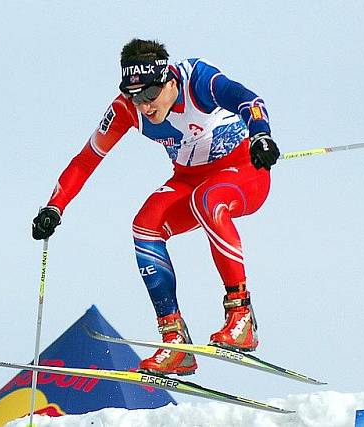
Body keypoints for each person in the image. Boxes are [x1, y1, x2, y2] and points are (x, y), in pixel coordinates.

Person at [31, 39, 280, 376]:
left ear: (170, 81)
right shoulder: (125, 109)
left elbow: (250, 101)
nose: (144, 106)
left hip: (244, 172)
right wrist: (54, 207)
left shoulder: (197, 80)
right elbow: (86, 159)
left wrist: (261, 135)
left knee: (207, 200)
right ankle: (174, 338)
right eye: (136, 96)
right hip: (189, 179)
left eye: (150, 94)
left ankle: (241, 316)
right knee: (145, 223)